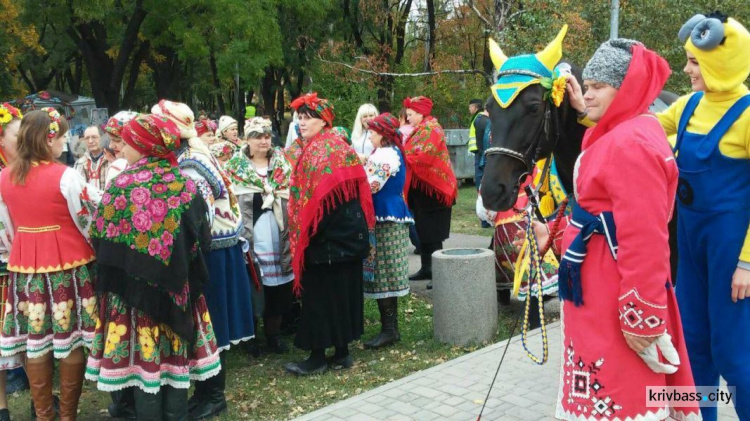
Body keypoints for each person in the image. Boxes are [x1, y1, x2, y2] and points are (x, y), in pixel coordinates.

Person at [525, 39, 700, 420]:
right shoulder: (617, 131)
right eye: (586, 86)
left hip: (616, 291)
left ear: (627, 87)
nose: (587, 95)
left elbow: (646, 237)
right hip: (600, 285)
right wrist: (554, 235)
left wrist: (642, 316)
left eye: (597, 87)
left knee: (626, 389)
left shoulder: (632, 143)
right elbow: (593, 210)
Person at [85, 114, 220, 421]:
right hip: (177, 293)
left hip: (130, 297)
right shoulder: (184, 185)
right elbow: (201, 238)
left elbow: (101, 238)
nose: (121, 147)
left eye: (128, 141)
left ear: (143, 145)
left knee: (144, 366)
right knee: (174, 362)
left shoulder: (119, 185)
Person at [655, 13, 750, 420]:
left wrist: (747, 262)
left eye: (695, 61)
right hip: (690, 247)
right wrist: (587, 108)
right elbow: (642, 131)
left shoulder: (747, 113)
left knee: (733, 353)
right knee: (691, 346)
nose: (687, 69)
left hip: (732, 253)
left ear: (721, 61)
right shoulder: (688, 104)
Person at [151, 100, 253, 420]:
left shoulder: (191, 162)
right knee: (205, 321)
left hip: (213, 252)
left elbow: (197, 216)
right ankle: (205, 391)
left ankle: (214, 394)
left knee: (212, 321)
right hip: (211, 250)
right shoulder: (185, 156)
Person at [0, 108, 101, 420]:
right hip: (67, 267)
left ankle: (45, 415)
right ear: (49, 138)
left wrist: (21, 247)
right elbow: (88, 219)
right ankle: (67, 415)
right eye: (62, 136)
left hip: (24, 269)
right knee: (70, 340)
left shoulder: (4, 177)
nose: (65, 142)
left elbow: (7, 228)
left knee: (36, 342)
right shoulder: (65, 176)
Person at [284, 93, 374, 375]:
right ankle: (342, 352)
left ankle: (317, 357)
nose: (301, 122)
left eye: (307, 117)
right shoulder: (338, 144)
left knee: (321, 298)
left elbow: (319, 200)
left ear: (323, 120)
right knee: (342, 294)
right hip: (347, 236)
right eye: (299, 117)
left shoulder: (321, 150)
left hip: (327, 239)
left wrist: (308, 234)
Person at [224, 117, 294, 354]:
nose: (263, 141)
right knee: (252, 283)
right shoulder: (235, 167)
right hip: (251, 234)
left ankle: (274, 334)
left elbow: (289, 192)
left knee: (277, 285)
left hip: (278, 230)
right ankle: (250, 337)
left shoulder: (282, 163)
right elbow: (231, 200)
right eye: (257, 137)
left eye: (266, 136)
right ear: (247, 140)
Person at [362, 113, 413, 349]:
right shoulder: (386, 152)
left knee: (385, 273)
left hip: (386, 218)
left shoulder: (386, 154)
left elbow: (371, 184)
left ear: (382, 135)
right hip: (384, 216)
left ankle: (390, 330)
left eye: (372, 132)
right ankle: (389, 328)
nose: (369, 135)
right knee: (383, 273)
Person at [402, 96, 457, 289]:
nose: (407, 118)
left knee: (433, 234)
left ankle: (438, 273)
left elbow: (423, 155)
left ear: (420, 113)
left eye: (410, 114)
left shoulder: (432, 128)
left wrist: (401, 155)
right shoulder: (421, 129)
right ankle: (426, 268)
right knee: (423, 231)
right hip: (422, 190)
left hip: (435, 190)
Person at [0, 103, 25, 421]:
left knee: (35, 336)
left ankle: (42, 397)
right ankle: (2, 407)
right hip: (6, 267)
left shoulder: (40, 172)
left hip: (31, 267)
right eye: (17, 135)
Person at [103, 111, 138, 188]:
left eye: (117, 140)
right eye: (110, 140)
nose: (111, 146)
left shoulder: (116, 168)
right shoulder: (117, 166)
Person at [74, 125, 110, 190]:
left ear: (102, 137)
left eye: (94, 137)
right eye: (87, 138)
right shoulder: (79, 163)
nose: (90, 141)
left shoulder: (111, 160)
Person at [467, 99, 490, 190]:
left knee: (480, 174)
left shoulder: (479, 118)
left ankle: (480, 192)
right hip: (480, 150)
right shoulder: (480, 118)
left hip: (479, 151)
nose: (469, 109)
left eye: (469, 107)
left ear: (474, 107)